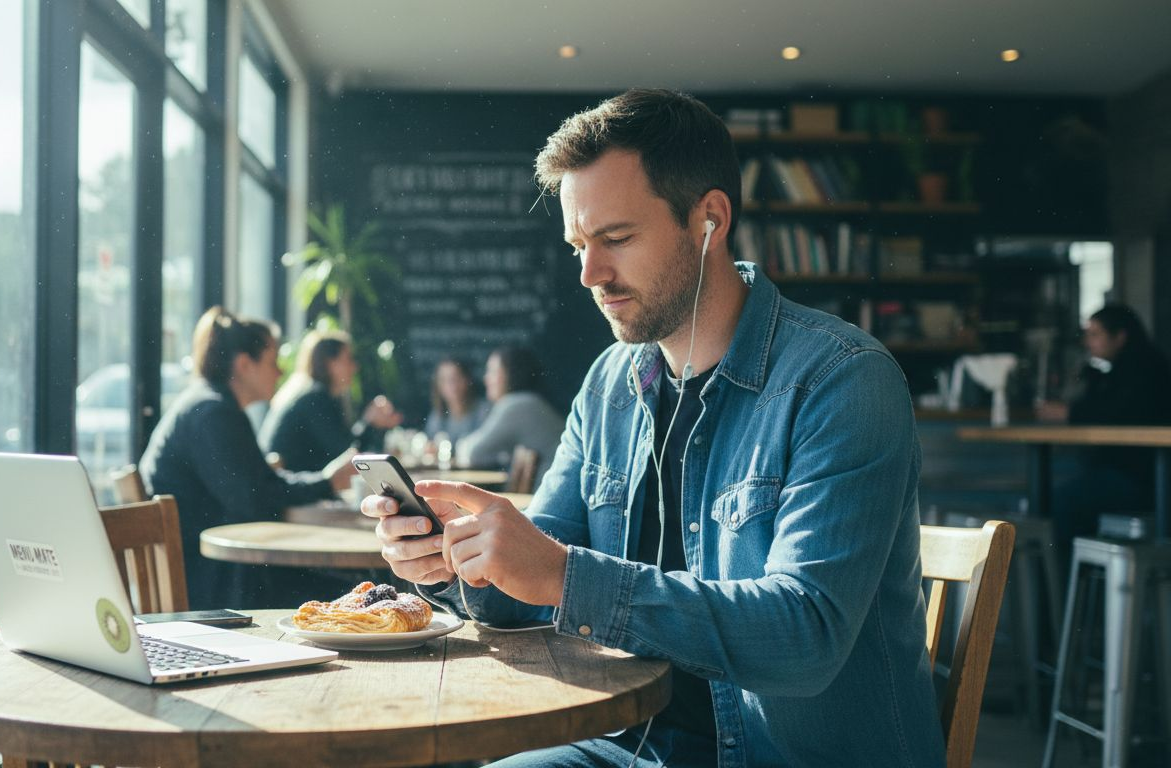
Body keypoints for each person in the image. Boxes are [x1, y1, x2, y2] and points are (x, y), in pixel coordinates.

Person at [363, 89, 946, 767]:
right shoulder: (611, 383)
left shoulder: (842, 379)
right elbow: (539, 584)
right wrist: (457, 562)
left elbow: (806, 637)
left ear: (710, 219)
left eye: (615, 239)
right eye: (579, 244)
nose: (589, 274)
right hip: (629, 747)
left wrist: (559, 574)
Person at [140, 307, 355, 610]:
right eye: (272, 362)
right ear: (243, 365)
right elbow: (257, 499)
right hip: (218, 586)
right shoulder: (214, 414)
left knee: (353, 589)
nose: (280, 372)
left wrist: (323, 482)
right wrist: (326, 482)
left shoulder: (206, 405)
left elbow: (259, 487)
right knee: (360, 592)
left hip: (216, 574)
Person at [1036, 304, 1171, 562]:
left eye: (1095, 334)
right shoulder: (1126, 367)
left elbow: (1115, 414)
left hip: (1144, 481)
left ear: (1119, 336)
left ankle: (1060, 597)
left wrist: (1068, 413)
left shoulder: (1143, 368)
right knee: (1061, 499)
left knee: (1060, 502)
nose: (1088, 341)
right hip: (1133, 475)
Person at [258, 329, 402, 472]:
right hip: (291, 486)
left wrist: (371, 423)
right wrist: (370, 422)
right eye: (348, 359)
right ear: (330, 364)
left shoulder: (307, 392)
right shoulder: (315, 399)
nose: (355, 367)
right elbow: (345, 455)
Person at [454, 346, 564, 483]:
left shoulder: (516, 405)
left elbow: (472, 453)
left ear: (511, 374)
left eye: (493, 372)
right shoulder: (530, 401)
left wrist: (459, 445)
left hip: (547, 493)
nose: (486, 379)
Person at [424, 357, 490, 443]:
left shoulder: (484, 411)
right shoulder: (438, 416)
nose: (451, 386)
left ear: (467, 380)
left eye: (455, 378)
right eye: (444, 380)